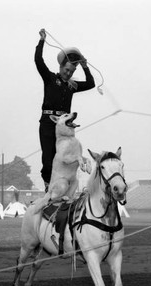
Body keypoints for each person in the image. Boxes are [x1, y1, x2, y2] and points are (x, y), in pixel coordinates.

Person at [35, 28, 96, 191]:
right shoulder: (50, 78)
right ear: (61, 67)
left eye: (71, 71)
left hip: (64, 127)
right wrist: (41, 41)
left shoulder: (72, 86)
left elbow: (91, 83)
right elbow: (38, 61)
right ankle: (48, 186)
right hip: (48, 124)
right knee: (48, 161)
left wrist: (84, 67)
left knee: (63, 158)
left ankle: (65, 185)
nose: (68, 73)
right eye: (66, 70)